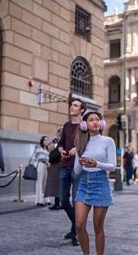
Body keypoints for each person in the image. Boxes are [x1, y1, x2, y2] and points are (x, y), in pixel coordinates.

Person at [74, 111, 116, 255]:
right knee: (79, 225)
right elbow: (76, 171)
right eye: (91, 120)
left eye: (97, 119)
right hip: (84, 182)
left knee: (98, 226)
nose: (95, 122)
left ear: (101, 123)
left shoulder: (108, 141)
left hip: (101, 182)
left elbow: (112, 166)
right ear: (85, 124)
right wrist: (80, 161)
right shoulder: (80, 142)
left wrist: (96, 164)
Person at [57, 98, 87, 246]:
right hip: (64, 165)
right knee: (63, 199)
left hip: (76, 167)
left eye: (75, 105)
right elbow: (60, 143)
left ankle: (75, 233)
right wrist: (61, 150)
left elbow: (88, 145)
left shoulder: (84, 127)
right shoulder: (67, 125)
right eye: (72, 105)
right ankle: (76, 226)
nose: (72, 107)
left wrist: (78, 149)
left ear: (81, 110)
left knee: (76, 201)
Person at [45, 128, 63, 210]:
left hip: (60, 164)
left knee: (59, 185)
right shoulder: (55, 141)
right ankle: (59, 203)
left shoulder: (62, 142)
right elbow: (50, 148)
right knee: (58, 185)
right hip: (56, 164)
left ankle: (59, 203)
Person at [33, 136, 51, 207]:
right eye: (45, 140)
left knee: (46, 184)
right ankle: (39, 200)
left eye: (48, 140)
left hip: (46, 167)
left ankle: (46, 199)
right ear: (42, 141)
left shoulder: (47, 149)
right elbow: (41, 158)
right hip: (40, 165)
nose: (47, 141)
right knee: (39, 183)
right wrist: (48, 163)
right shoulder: (38, 147)